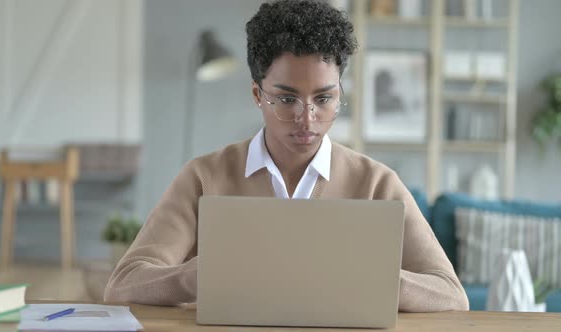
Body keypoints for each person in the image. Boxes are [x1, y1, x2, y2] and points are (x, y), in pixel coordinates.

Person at [104, 0, 469, 312]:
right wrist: (200, 275)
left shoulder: (376, 182)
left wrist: (374, 277)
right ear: (257, 94)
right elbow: (121, 287)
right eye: (287, 99)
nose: (307, 119)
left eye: (324, 99)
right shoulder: (203, 177)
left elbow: (451, 294)